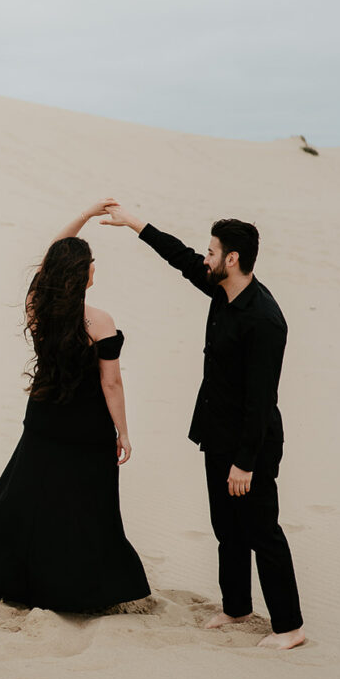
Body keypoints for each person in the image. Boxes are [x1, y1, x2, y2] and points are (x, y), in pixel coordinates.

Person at [100, 204, 305, 649]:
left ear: (232, 259)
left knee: (262, 531)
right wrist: (136, 223)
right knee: (226, 528)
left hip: (251, 445)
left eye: (212, 252)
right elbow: (180, 257)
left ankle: (290, 627)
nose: (205, 258)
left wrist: (245, 463)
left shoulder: (265, 321)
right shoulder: (222, 291)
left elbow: (260, 400)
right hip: (217, 432)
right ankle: (236, 607)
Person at [0, 200, 150, 612]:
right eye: (92, 264)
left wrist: (83, 216)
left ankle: (8, 575)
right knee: (87, 507)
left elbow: (51, 259)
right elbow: (111, 382)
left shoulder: (38, 309)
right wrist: (123, 432)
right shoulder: (99, 321)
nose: (95, 269)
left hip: (44, 419)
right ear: (82, 273)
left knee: (30, 498)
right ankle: (83, 587)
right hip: (87, 427)